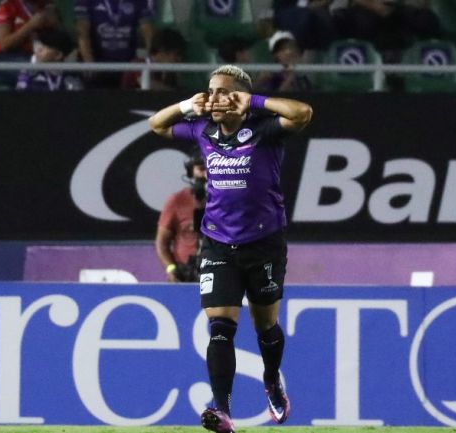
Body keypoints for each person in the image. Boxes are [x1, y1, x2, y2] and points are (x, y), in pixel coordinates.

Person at [148, 65, 312, 431]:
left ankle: (272, 380)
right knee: (220, 327)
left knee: (266, 328)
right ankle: (221, 410)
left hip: (264, 243)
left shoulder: (264, 130)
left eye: (222, 92)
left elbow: (302, 114)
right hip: (218, 243)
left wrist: (253, 101)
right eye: (210, 90)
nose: (213, 98)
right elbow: (157, 125)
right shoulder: (202, 129)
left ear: (238, 96)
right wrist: (187, 105)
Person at [75, 0, 154, 88]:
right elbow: (82, 30)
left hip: (127, 65)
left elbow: (147, 31)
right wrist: (88, 60)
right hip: (97, 63)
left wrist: (151, 59)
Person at [155, 151, 206, 283]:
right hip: (185, 274)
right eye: (201, 169)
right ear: (191, 172)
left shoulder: (231, 201)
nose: (206, 174)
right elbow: (162, 243)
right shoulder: (177, 201)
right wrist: (171, 268)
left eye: (211, 169)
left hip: (220, 274)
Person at [0, 0, 61, 88]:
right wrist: (30, 25)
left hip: (41, 57)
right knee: (39, 72)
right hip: (5, 59)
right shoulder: (6, 6)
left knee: (63, 71)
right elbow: (4, 45)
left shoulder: (47, 6)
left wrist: (56, 24)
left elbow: (65, 42)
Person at [16, 29, 84, 91]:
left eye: (44, 47)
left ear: (58, 55)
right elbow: (20, 96)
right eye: (40, 46)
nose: (39, 50)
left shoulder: (71, 75)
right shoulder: (29, 71)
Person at [121, 26, 187, 90]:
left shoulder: (169, 73)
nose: (179, 58)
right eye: (176, 54)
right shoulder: (138, 63)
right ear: (162, 50)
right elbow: (147, 84)